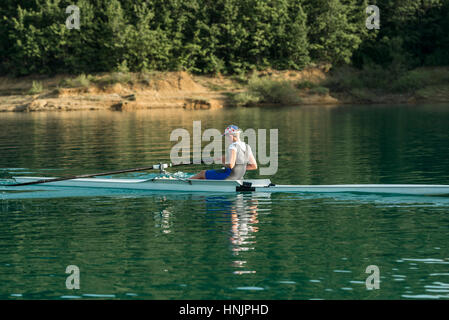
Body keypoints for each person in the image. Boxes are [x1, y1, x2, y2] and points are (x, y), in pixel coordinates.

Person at [190, 125, 257, 180]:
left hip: (229, 176)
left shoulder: (233, 146)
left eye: (227, 136)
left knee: (202, 173)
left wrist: (222, 161)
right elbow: (254, 166)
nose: (226, 138)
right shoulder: (247, 146)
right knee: (204, 177)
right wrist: (239, 168)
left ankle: (185, 183)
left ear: (231, 135)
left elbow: (231, 165)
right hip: (239, 177)